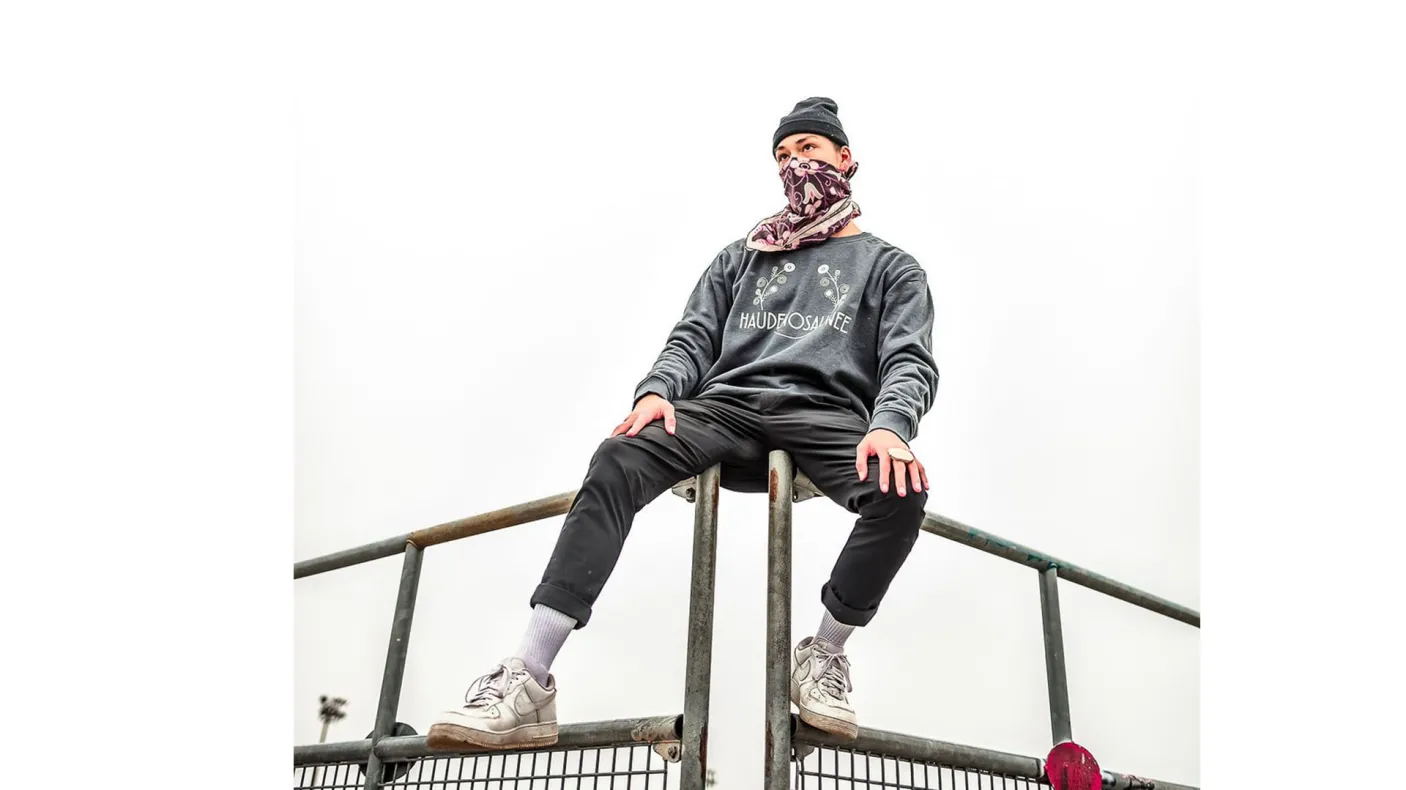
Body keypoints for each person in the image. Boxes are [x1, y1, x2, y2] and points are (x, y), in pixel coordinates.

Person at [427, 97, 939, 751]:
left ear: (845, 160)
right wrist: (657, 392)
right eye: (782, 156)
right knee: (618, 455)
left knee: (903, 489)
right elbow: (693, 338)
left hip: (823, 414)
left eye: (807, 150)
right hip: (727, 406)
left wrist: (890, 425)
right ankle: (526, 679)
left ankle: (825, 653)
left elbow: (908, 358)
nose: (793, 163)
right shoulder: (743, 256)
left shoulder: (890, 267)